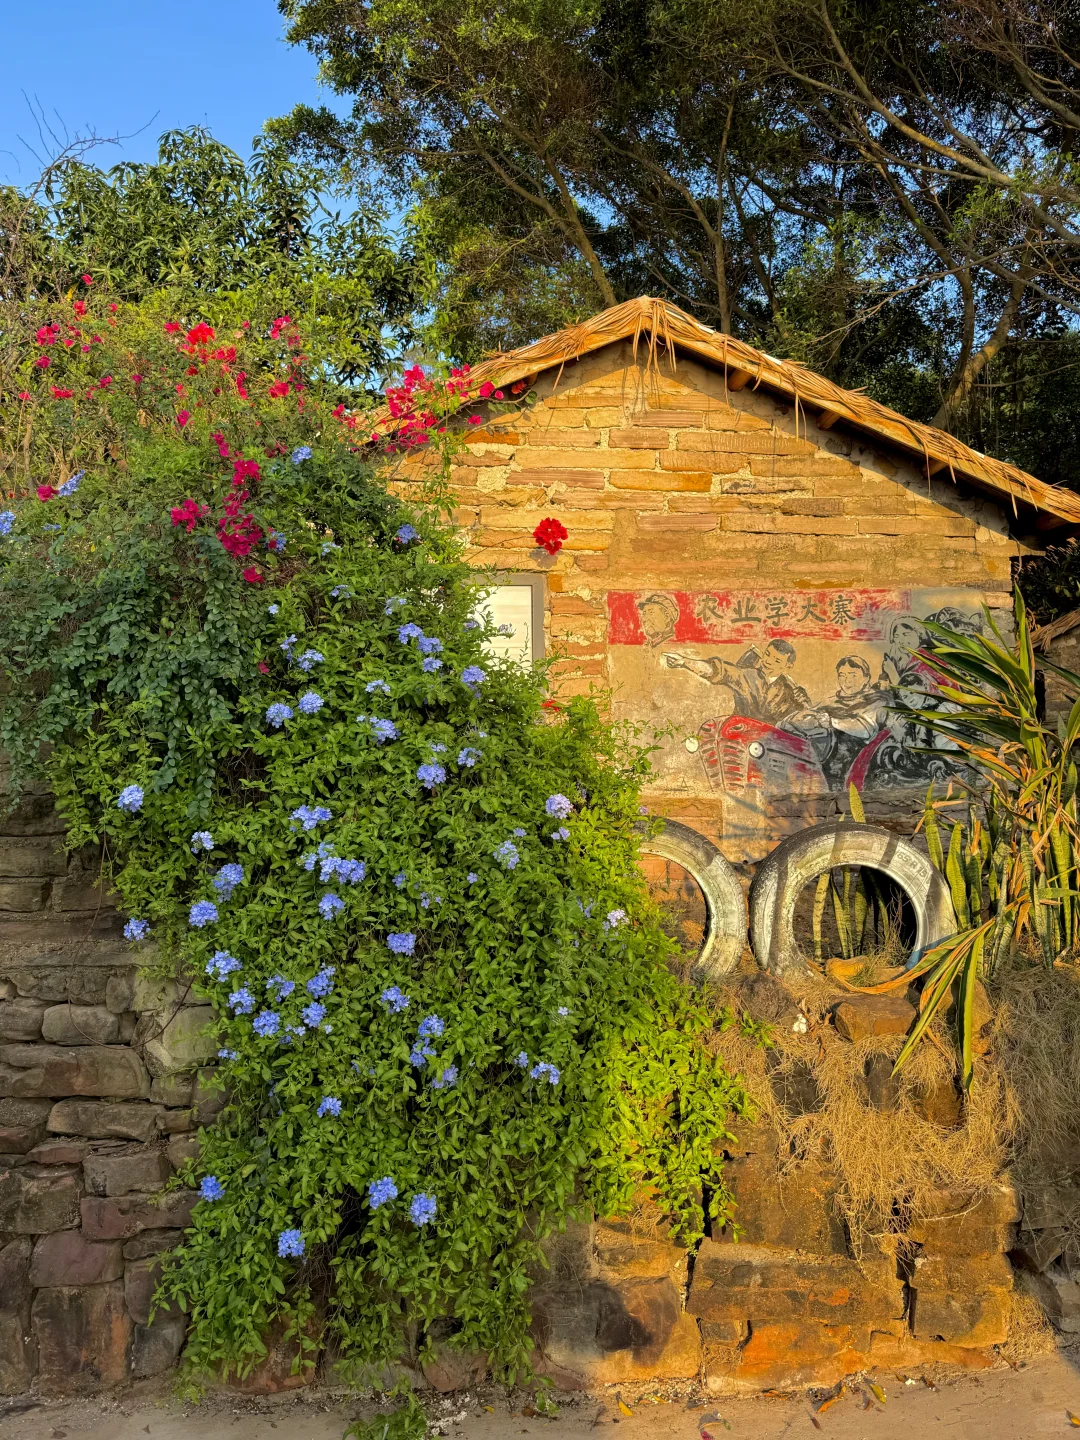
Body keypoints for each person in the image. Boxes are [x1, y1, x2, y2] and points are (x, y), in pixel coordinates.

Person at [662, 638, 810, 724]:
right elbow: (719, 671)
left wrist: (804, 705)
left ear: (788, 666)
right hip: (737, 735)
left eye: (776, 660)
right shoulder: (747, 676)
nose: (768, 661)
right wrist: (685, 662)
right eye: (767, 654)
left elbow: (804, 722)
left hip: (768, 748)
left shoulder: (791, 693)